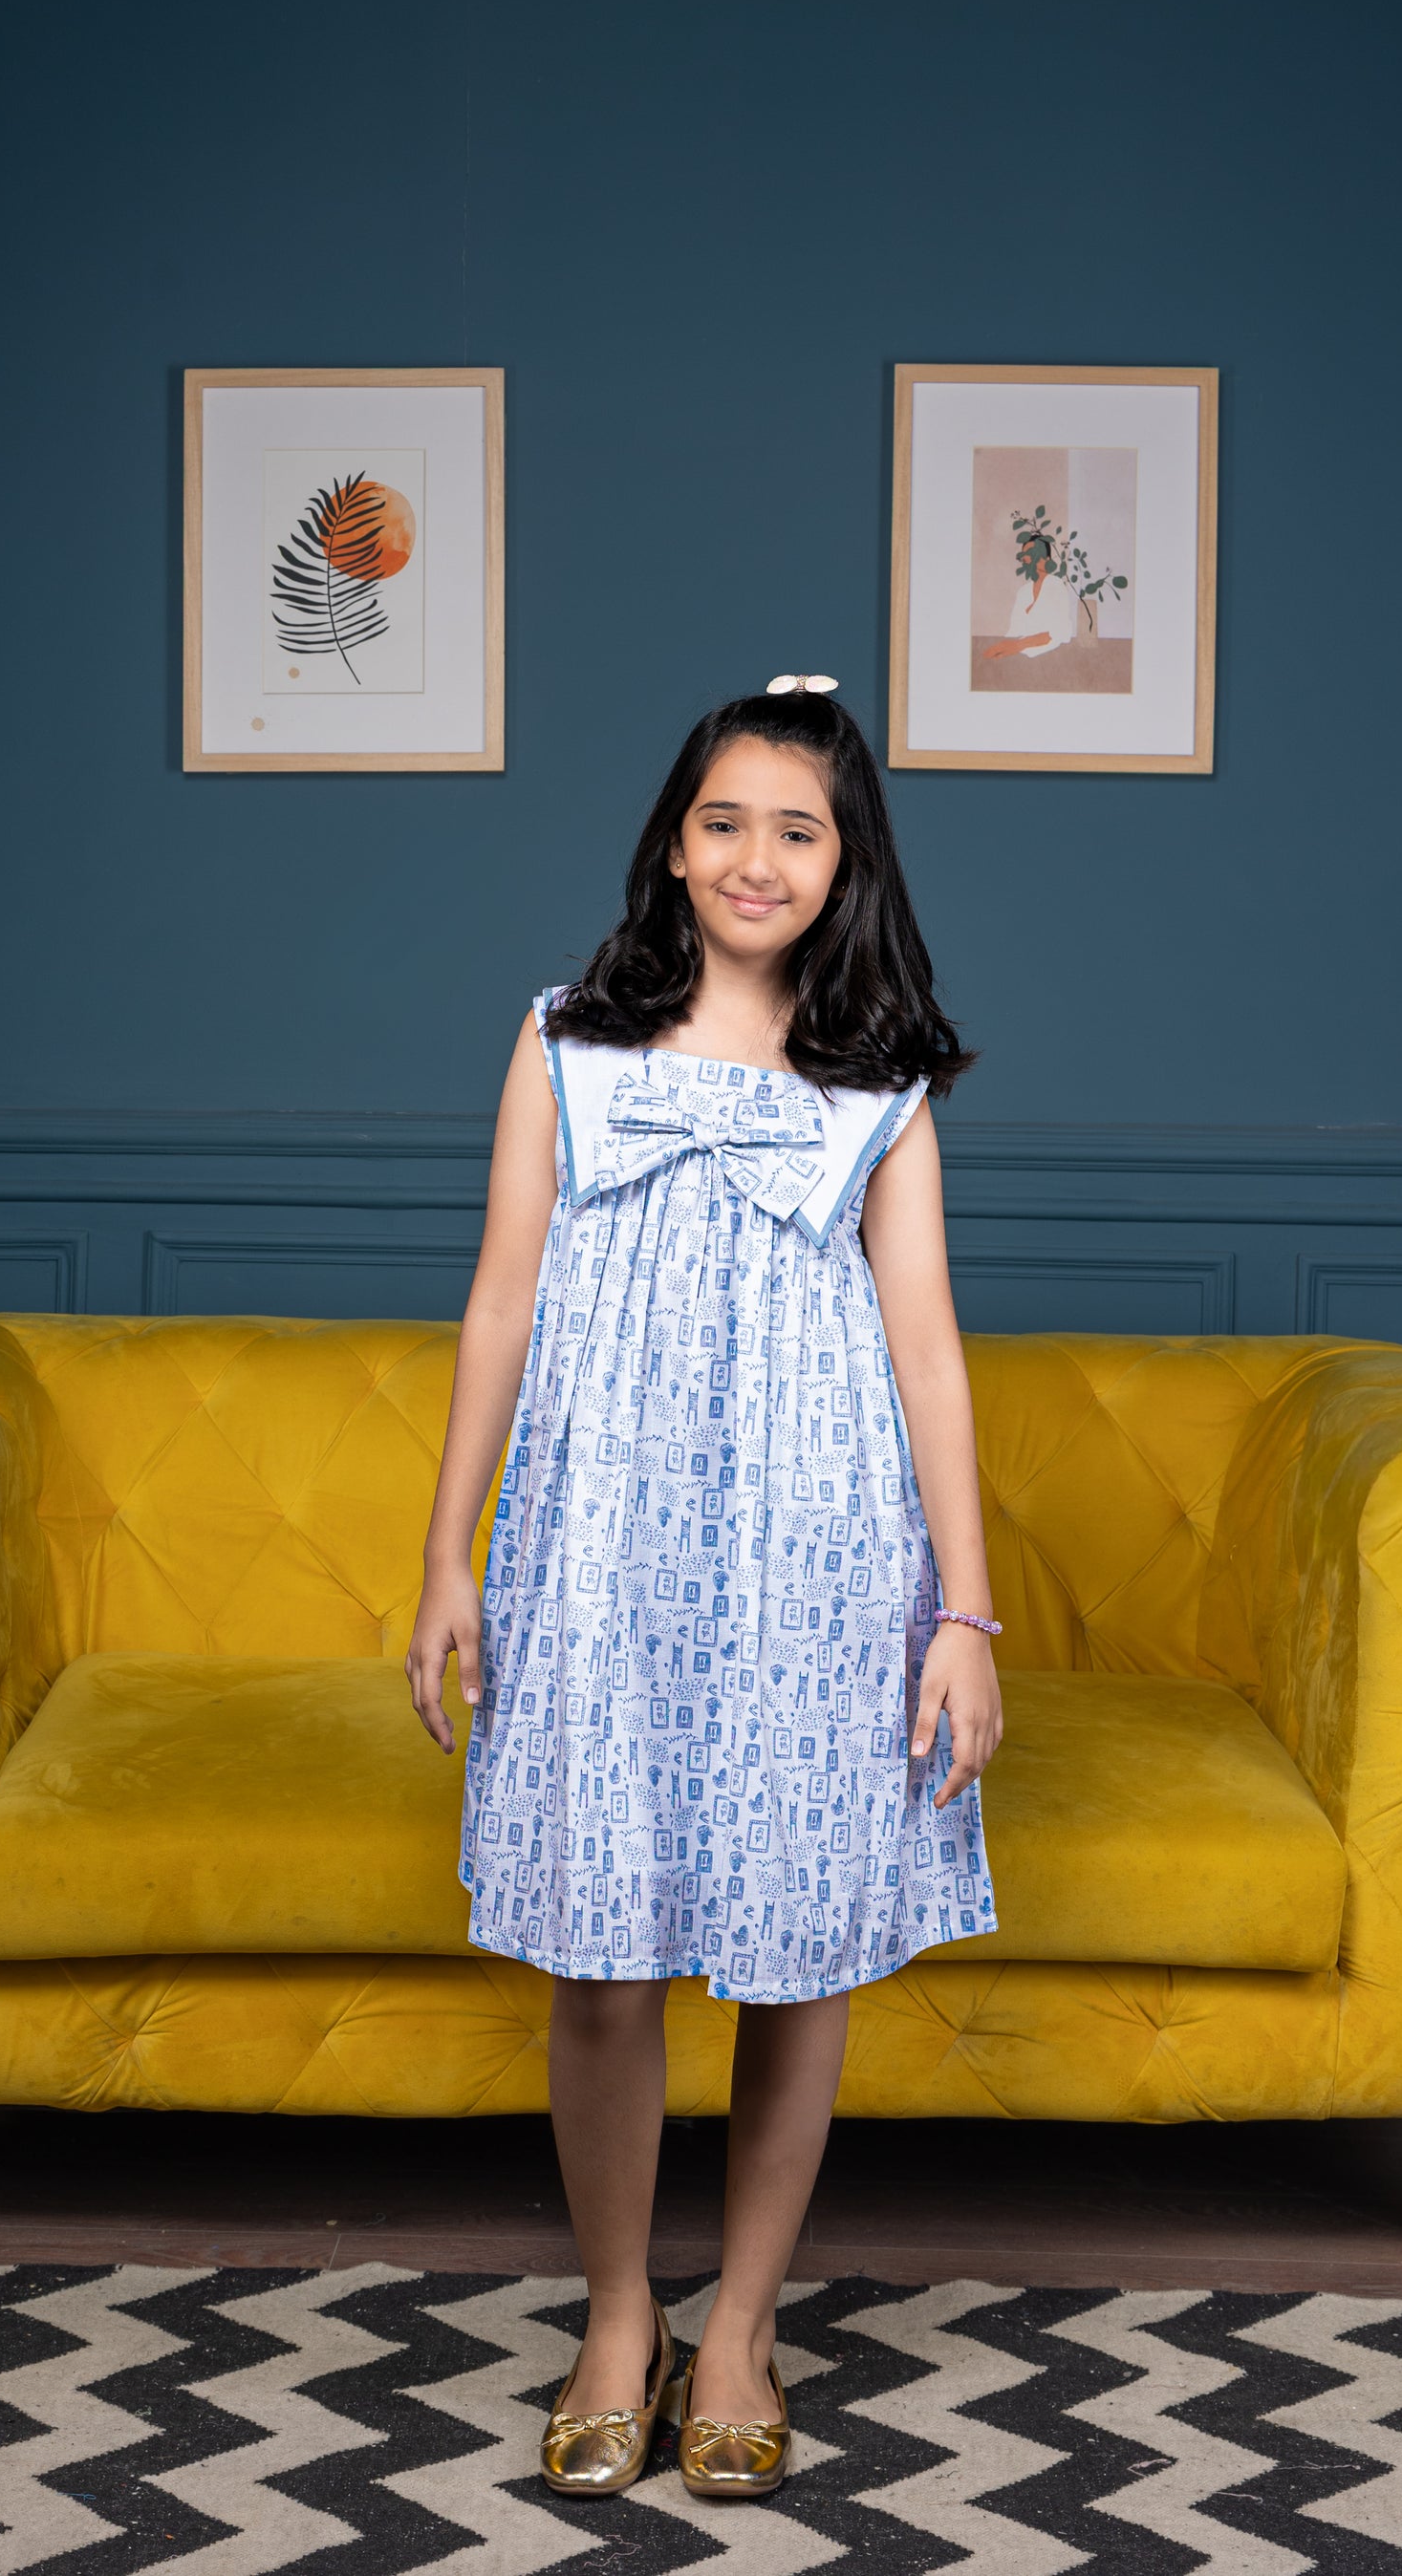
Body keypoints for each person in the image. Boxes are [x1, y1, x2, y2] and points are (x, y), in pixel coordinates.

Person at [405, 681, 1004, 2503]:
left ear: (846, 863)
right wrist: (448, 1556)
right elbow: (500, 1301)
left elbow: (930, 1357)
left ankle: (740, 2325)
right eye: (726, 821)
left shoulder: (881, 1084)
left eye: (798, 831)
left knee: (795, 1961)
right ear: (674, 842)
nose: (758, 859)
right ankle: (618, 2316)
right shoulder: (565, 1043)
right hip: (598, 1551)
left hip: (817, 1561)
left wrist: (964, 1617)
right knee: (602, 1965)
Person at [982, 526, 1079, 662]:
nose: (1028, 558)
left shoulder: (1056, 586)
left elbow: (1059, 631)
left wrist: (1017, 646)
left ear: (1047, 558)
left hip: (1050, 658)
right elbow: (1014, 631)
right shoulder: (1023, 592)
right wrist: (1006, 647)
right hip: (1019, 657)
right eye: (1025, 556)